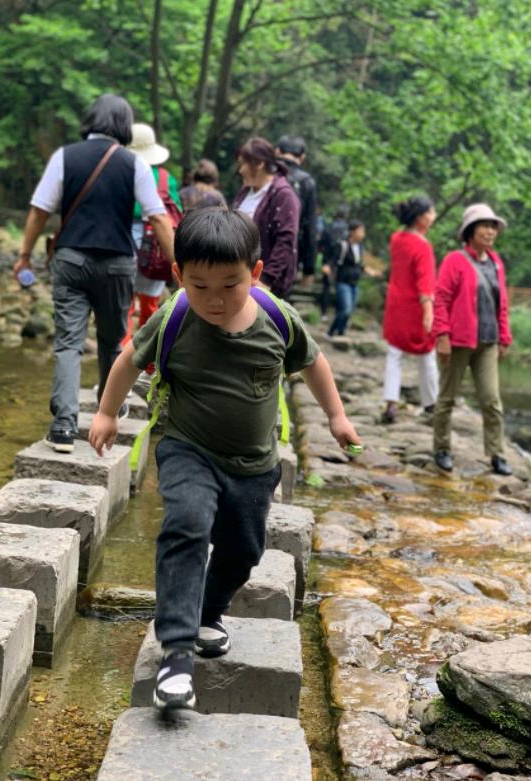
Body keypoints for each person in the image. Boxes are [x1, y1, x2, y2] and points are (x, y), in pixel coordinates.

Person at [88, 207, 360, 716]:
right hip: (187, 445)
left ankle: (210, 611)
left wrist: (337, 417)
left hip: (254, 463)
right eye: (200, 285)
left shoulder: (277, 318)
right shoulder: (173, 316)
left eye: (229, 285)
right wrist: (106, 412)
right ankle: (175, 653)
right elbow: (128, 359)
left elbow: (313, 362)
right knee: (187, 526)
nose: (214, 299)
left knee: (244, 549)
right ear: (179, 275)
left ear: (254, 274)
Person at [13, 94, 175, 454]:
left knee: (69, 343)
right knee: (112, 342)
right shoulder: (135, 165)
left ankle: (63, 427)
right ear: (123, 127)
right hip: (117, 263)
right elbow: (157, 217)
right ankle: (108, 410)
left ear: (90, 120)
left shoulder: (64, 156)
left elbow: (40, 211)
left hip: (71, 259)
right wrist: (180, 266)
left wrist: (24, 255)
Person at [433, 203, 513, 475]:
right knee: (447, 399)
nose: (491, 231)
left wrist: (505, 336)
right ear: (471, 230)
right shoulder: (454, 260)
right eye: (485, 226)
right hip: (457, 341)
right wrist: (442, 335)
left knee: (491, 400)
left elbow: (502, 304)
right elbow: (441, 299)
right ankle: (442, 448)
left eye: (493, 227)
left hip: (488, 342)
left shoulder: (496, 263)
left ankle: (496, 453)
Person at [122, 123, 182, 347]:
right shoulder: (166, 178)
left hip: (125, 243)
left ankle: (121, 357)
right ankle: (148, 361)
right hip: (157, 246)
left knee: (124, 306)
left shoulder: (122, 173)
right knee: (149, 307)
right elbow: (175, 212)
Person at [381, 195, 438, 424]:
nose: (433, 217)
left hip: (396, 304)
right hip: (415, 306)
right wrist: (428, 310)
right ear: (421, 218)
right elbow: (425, 281)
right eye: (431, 213)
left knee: (394, 354)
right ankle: (431, 403)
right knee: (427, 354)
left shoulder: (396, 239)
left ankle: (390, 403)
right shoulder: (422, 246)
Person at [234, 137, 300, 298]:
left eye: (243, 164)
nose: (240, 170)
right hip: (239, 276)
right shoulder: (245, 191)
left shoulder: (283, 195)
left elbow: (286, 241)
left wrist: (267, 279)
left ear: (259, 164)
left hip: (264, 283)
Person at [275, 135, 317, 286]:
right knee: (277, 305)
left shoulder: (264, 173)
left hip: (254, 252)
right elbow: (310, 228)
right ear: (302, 157)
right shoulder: (306, 182)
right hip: (288, 255)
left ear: (277, 151)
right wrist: (309, 268)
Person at [325, 220, 366, 337]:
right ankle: (331, 331)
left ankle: (341, 331)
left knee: (350, 310)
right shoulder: (343, 245)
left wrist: (370, 271)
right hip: (343, 282)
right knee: (346, 309)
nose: (363, 234)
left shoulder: (360, 247)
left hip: (355, 282)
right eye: (360, 231)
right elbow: (334, 259)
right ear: (352, 232)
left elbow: (359, 264)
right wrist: (328, 266)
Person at [319, 205, 350, 322]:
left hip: (327, 260)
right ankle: (339, 313)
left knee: (326, 287)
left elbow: (321, 243)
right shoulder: (346, 229)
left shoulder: (328, 227)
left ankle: (324, 312)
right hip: (340, 262)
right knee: (339, 287)